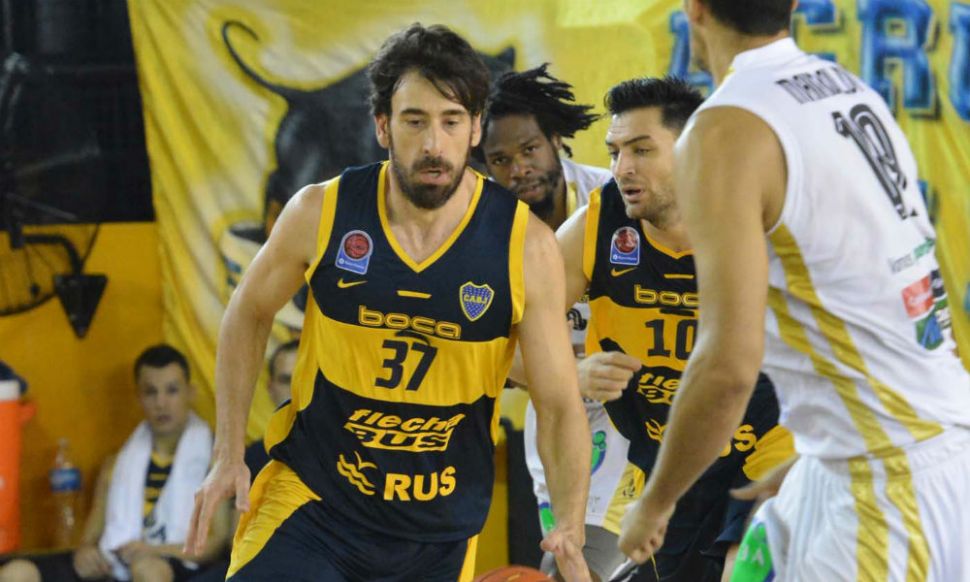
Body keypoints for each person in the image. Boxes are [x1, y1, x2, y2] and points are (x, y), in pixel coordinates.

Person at [184, 23, 592, 582]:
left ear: (476, 129)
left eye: (451, 122)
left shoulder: (525, 247)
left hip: (438, 528)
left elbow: (559, 403)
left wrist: (570, 522)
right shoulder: (321, 212)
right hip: (315, 503)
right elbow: (248, 312)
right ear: (382, 126)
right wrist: (228, 454)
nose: (433, 145)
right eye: (414, 121)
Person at [618, 2, 970, 581]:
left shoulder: (723, 130)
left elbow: (727, 367)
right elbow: (910, 283)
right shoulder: (848, 90)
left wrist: (655, 503)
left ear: (693, 9)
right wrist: (822, 443)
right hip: (896, 447)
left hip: (885, 480)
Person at [554, 77, 793, 581]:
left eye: (642, 150)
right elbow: (501, 338)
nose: (622, 168)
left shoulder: (764, 219)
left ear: (694, 152)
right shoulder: (595, 226)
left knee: (746, 570)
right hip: (667, 465)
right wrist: (571, 374)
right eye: (615, 152)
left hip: (768, 448)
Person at [480, 65, 629, 582]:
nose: (518, 169)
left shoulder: (614, 200)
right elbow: (485, 349)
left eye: (529, 150)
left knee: (595, 560)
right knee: (566, 557)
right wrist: (568, 376)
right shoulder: (482, 230)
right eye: (500, 160)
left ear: (556, 141)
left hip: (635, 402)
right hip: (559, 406)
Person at [0, 345, 230, 582]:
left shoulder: (214, 460)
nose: (161, 403)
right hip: (114, 563)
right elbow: (90, 539)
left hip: (174, 563)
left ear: (190, 393)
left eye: (172, 391)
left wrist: (153, 551)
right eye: (151, 392)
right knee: (16, 573)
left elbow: (216, 542)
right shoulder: (116, 464)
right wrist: (86, 553)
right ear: (139, 398)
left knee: (148, 570)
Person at [242, 339, 299, 480]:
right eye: (286, 381)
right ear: (271, 388)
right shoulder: (251, 461)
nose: (295, 389)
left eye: (303, 379)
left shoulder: (344, 450)